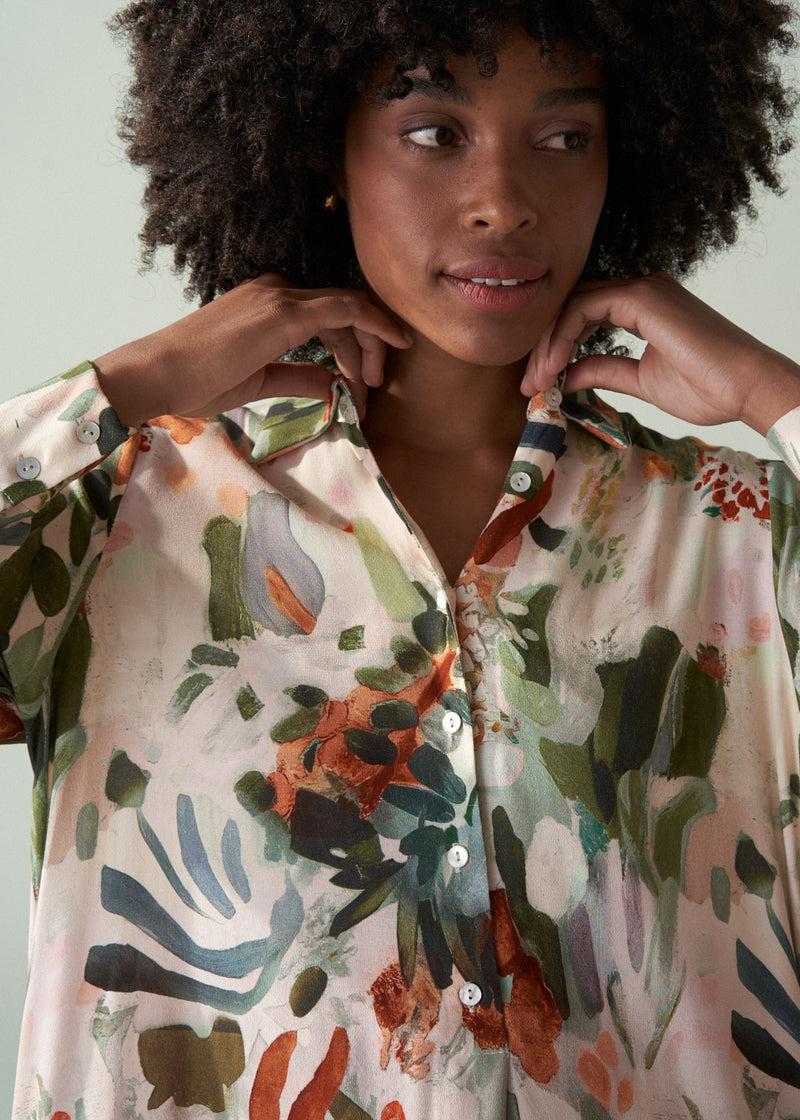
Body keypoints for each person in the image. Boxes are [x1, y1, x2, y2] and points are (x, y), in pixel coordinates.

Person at [2, 0, 800, 1117]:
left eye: (564, 136)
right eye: (434, 131)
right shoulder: (118, 518)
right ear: (322, 150)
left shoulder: (738, 538)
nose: (504, 200)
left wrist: (772, 391)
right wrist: (130, 383)